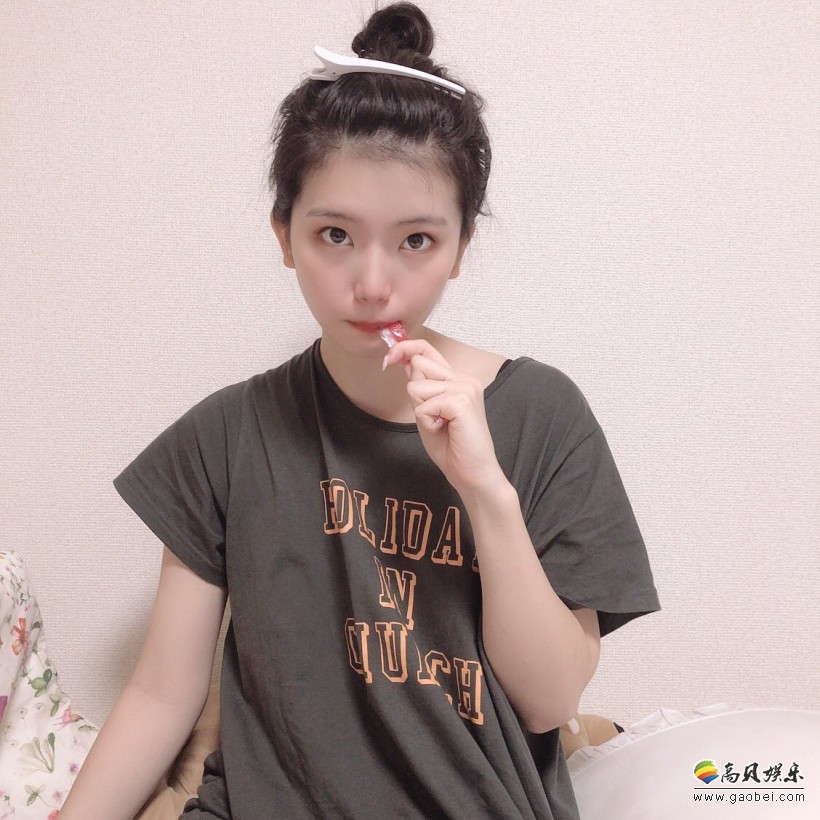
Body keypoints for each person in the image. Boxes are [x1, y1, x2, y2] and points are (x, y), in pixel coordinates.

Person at [61, 3, 660, 818]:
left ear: (461, 247)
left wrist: (486, 492)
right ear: (284, 235)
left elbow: (549, 700)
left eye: (416, 241)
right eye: (335, 235)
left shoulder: (540, 415)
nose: (374, 285)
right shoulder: (225, 437)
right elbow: (161, 695)